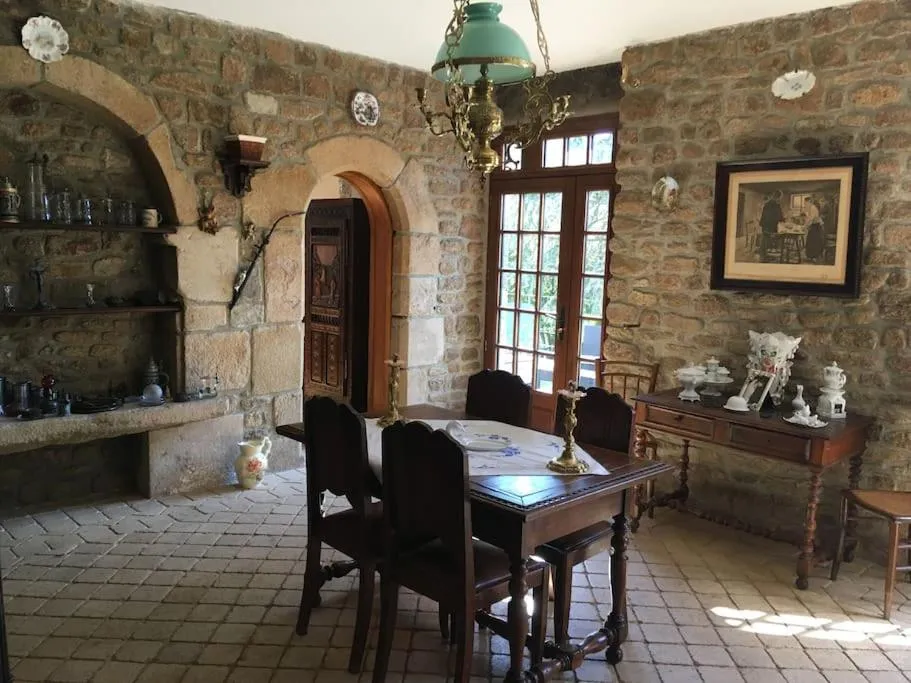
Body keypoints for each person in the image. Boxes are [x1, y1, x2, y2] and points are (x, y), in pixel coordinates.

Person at [759, 190, 784, 261]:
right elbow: (779, 216)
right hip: (770, 226)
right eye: (780, 198)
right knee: (770, 241)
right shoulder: (776, 204)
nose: (780, 199)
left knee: (764, 241)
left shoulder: (767, 204)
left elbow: (764, 215)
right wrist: (783, 220)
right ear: (778, 197)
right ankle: (766, 257)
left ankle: (763, 256)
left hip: (765, 225)